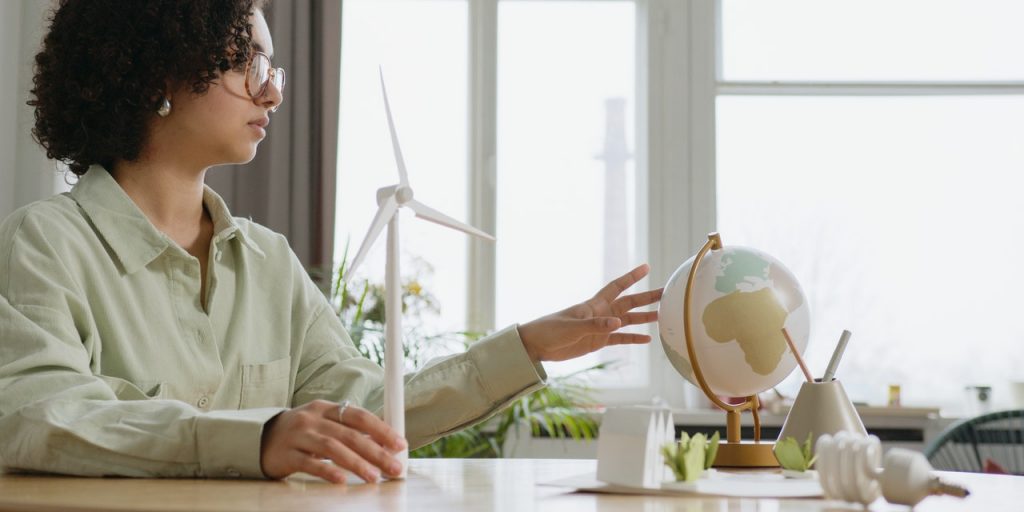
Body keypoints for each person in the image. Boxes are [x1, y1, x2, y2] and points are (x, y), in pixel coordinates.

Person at [0, 0, 662, 484]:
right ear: (154, 78)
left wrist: (527, 347)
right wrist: (257, 439)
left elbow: (368, 411)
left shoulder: (268, 261)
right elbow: (42, 418)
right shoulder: (44, 246)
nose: (271, 92)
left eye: (274, 69)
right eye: (246, 63)